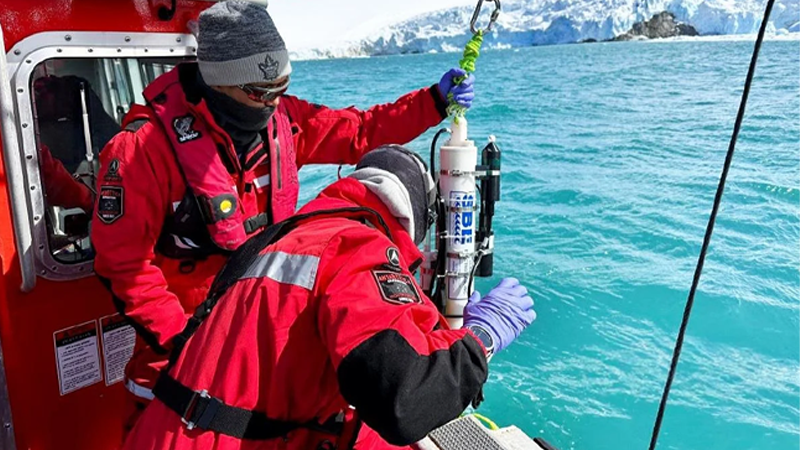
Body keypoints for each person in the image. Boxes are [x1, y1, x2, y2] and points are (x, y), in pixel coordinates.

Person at [89, 0, 476, 435]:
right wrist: (184, 340)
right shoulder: (140, 151)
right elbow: (125, 268)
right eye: (260, 92)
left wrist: (433, 102)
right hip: (175, 352)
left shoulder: (285, 124)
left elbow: (360, 130)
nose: (273, 103)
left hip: (257, 343)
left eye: (282, 86)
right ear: (218, 81)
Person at [122, 145, 536, 450]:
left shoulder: (281, 239)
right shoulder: (357, 245)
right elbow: (405, 401)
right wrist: (481, 339)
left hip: (168, 432)